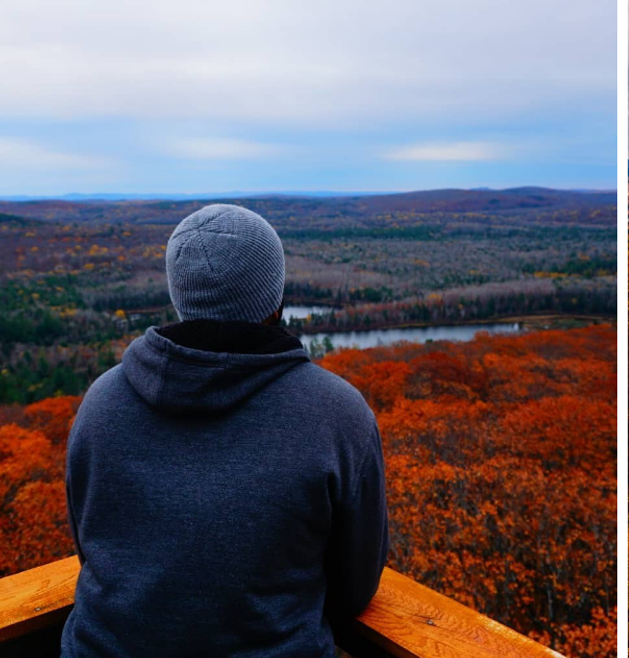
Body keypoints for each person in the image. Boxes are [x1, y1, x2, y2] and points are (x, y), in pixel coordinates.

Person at [63, 205, 389, 657]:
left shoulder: (102, 402)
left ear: (181, 295)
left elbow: (92, 552)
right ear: (274, 297)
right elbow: (355, 587)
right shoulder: (337, 414)